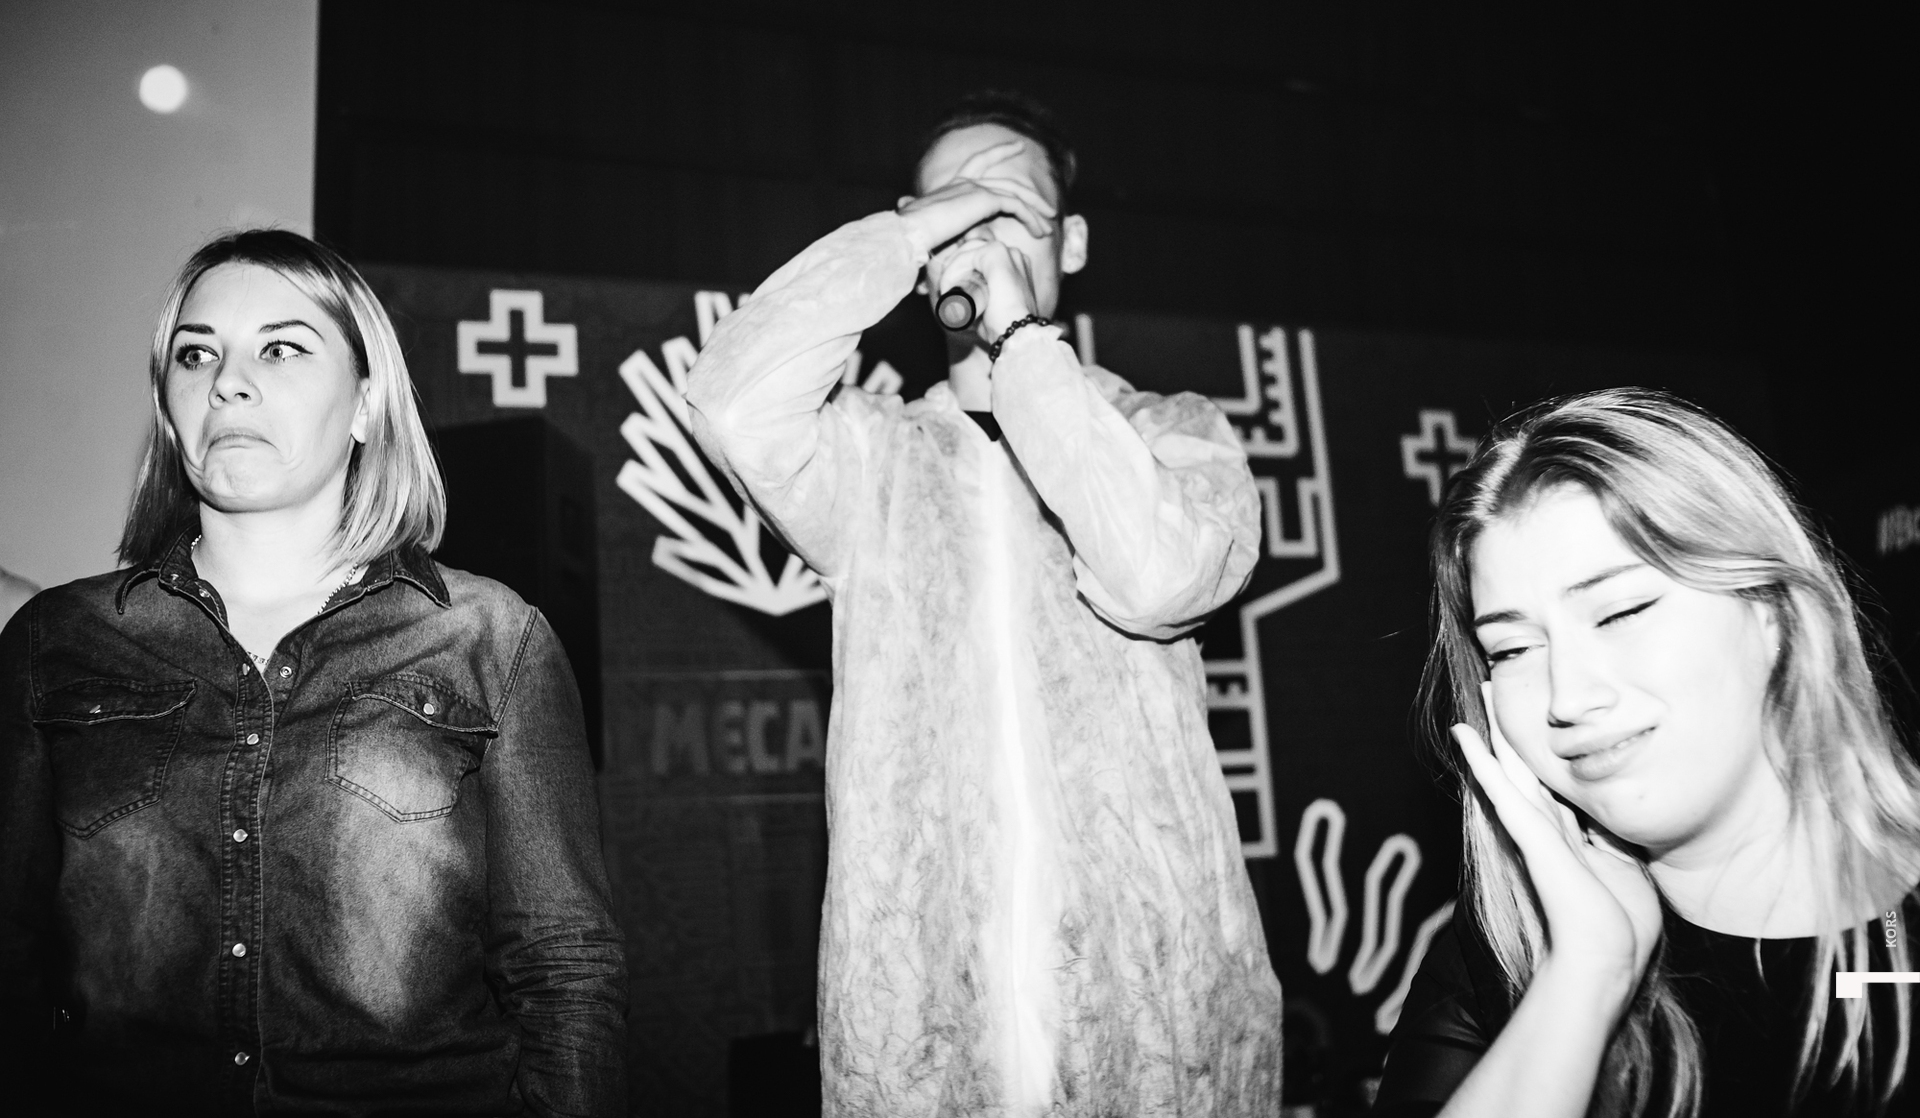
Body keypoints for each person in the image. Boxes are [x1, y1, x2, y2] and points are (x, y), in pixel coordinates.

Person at [685, 90, 1283, 1116]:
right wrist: (911, 230)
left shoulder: (1175, 431)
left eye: (1010, 204)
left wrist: (1023, 349)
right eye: (956, 208)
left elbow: (1157, 576)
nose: (980, 232)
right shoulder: (873, 456)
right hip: (929, 1042)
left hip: (1159, 1036)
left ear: (1073, 243)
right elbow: (734, 403)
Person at [0, 230, 627, 1115]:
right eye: (196, 354)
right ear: (169, 404)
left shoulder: (491, 637)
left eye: (282, 348)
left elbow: (564, 969)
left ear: (366, 403)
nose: (227, 381)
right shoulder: (56, 640)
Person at [1374, 388, 1920, 1118]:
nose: (1569, 695)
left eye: (1621, 611)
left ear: (1770, 612)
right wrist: (1587, 974)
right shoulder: (1500, 955)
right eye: (1512, 648)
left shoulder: (1898, 930)